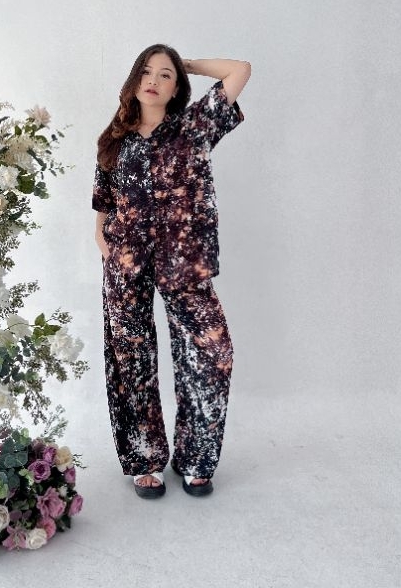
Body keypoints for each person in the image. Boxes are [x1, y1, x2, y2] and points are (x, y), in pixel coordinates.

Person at [92, 44, 251, 499]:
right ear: (133, 80)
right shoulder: (114, 138)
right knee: (131, 359)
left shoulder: (194, 127)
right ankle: (145, 459)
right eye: (147, 71)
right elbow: (103, 198)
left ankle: (196, 458)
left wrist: (188, 65)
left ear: (177, 86)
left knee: (212, 352)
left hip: (184, 261)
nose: (154, 80)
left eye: (166, 74)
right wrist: (101, 239)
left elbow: (240, 70)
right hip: (126, 260)